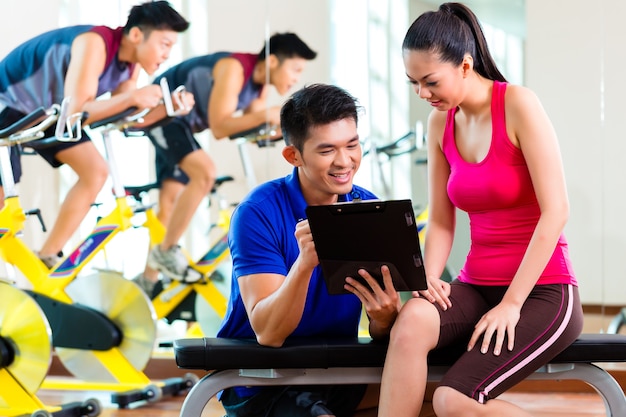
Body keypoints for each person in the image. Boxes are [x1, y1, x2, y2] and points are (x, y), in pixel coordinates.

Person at [377, 3, 584, 417]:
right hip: (475, 285)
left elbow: (556, 211)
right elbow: (440, 219)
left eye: (430, 81)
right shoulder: (441, 124)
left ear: (466, 65)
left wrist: (511, 303)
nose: (422, 94)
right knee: (413, 320)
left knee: (451, 400)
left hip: (543, 291)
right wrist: (428, 279)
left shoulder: (519, 105)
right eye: (413, 83)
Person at [216, 83, 402, 417]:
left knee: (441, 396)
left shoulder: (367, 207)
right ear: (294, 155)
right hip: (263, 380)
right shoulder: (257, 212)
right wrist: (305, 264)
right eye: (327, 150)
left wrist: (384, 317)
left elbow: (380, 329)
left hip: (337, 372)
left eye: (352, 145)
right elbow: (269, 333)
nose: (344, 162)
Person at [0, 1, 192, 269]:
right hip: (10, 103)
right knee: (2, 199)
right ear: (136, 35)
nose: (167, 55)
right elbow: (77, 111)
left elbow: (125, 121)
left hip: (47, 113)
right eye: (164, 44)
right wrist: (134, 97)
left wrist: (168, 109)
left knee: (96, 172)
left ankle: (47, 256)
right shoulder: (95, 42)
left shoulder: (130, 65)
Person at [133, 32, 317, 291]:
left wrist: (286, 130)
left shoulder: (259, 88)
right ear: (273, 61)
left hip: (183, 126)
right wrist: (269, 115)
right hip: (165, 112)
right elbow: (221, 127)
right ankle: (165, 253)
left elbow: (254, 127)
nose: (297, 78)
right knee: (205, 173)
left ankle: (148, 282)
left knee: (170, 204)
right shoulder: (234, 68)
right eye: (295, 69)